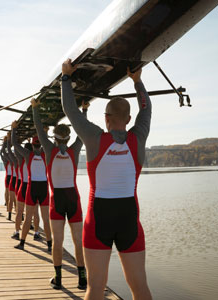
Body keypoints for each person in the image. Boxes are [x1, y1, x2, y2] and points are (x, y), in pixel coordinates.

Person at [61, 59, 152, 300]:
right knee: (140, 288)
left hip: (97, 222)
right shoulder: (139, 137)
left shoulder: (93, 138)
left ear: (106, 118)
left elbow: (69, 110)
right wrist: (137, 82)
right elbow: (147, 109)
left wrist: (66, 78)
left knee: (96, 288)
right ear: (129, 119)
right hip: (129, 221)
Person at [32, 97, 89, 290]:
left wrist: (35, 108)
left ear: (55, 138)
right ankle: (82, 280)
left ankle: (58, 279)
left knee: (57, 241)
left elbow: (39, 130)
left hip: (57, 199)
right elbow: (83, 129)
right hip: (74, 198)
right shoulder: (75, 148)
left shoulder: (48, 149)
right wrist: (84, 111)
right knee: (78, 241)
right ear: (69, 137)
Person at [11, 123, 52, 252]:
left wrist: (14, 129)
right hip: (44, 187)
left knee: (28, 218)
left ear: (33, 145)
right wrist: (45, 133)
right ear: (41, 145)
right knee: (46, 219)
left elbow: (15, 144)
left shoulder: (28, 155)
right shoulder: (46, 154)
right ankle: (50, 245)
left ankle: (22, 243)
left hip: (32, 187)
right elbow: (47, 142)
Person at [11, 133, 40, 241]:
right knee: (35, 212)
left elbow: (15, 149)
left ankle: (17, 232)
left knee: (19, 212)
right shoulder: (36, 157)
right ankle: (37, 233)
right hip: (33, 186)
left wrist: (16, 139)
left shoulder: (20, 159)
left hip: (23, 187)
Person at [6, 132, 18, 220]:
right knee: (18, 200)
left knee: (11, 199)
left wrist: (8, 140)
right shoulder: (22, 160)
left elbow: (8, 151)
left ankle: (10, 215)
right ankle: (20, 215)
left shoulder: (12, 161)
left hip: (13, 180)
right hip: (18, 180)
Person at [0, 137, 11, 208]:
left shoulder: (8, 161)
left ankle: (7, 204)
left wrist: (4, 143)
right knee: (8, 191)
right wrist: (5, 142)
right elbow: (1, 153)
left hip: (9, 177)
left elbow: (1, 153)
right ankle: (7, 204)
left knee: (7, 191)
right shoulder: (8, 161)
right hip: (10, 177)